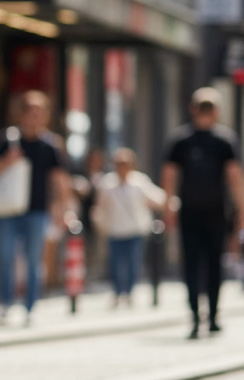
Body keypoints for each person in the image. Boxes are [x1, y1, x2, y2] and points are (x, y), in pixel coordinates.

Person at [160, 87, 244, 338]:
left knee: (193, 264)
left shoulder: (183, 139)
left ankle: (198, 317)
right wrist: (241, 210)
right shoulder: (221, 140)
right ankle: (211, 316)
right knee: (212, 264)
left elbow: (168, 178)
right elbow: (235, 179)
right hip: (212, 211)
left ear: (192, 109)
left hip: (195, 211)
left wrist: (168, 208)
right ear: (217, 111)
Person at [0, 91, 72, 323]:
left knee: (34, 261)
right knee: (5, 257)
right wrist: (7, 161)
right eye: (31, 113)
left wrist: (63, 209)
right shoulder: (8, 139)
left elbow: (60, 179)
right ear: (21, 115)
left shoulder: (50, 145)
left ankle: (30, 306)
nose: (35, 117)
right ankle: (5, 303)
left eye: (39, 113)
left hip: (37, 210)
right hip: (9, 210)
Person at [92, 148, 166, 306]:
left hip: (135, 230)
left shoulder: (140, 182)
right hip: (114, 230)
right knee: (115, 264)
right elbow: (99, 207)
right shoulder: (107, 184)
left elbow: (157, 198)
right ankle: (118, 292)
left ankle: (130, 292)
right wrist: (99, 223)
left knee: (133, 263)